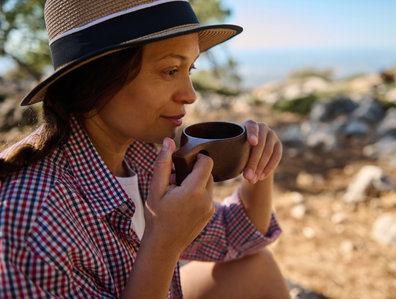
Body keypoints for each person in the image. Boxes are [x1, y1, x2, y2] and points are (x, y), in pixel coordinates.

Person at [0, 0, 290, 298]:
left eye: (190, 68)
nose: (190, 95)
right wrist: (164, 241)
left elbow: (235, 236)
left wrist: (259, 165)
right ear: (97, 79)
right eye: (170, 71)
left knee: (256, 268)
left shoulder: (144, 155)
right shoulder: (32, 218)